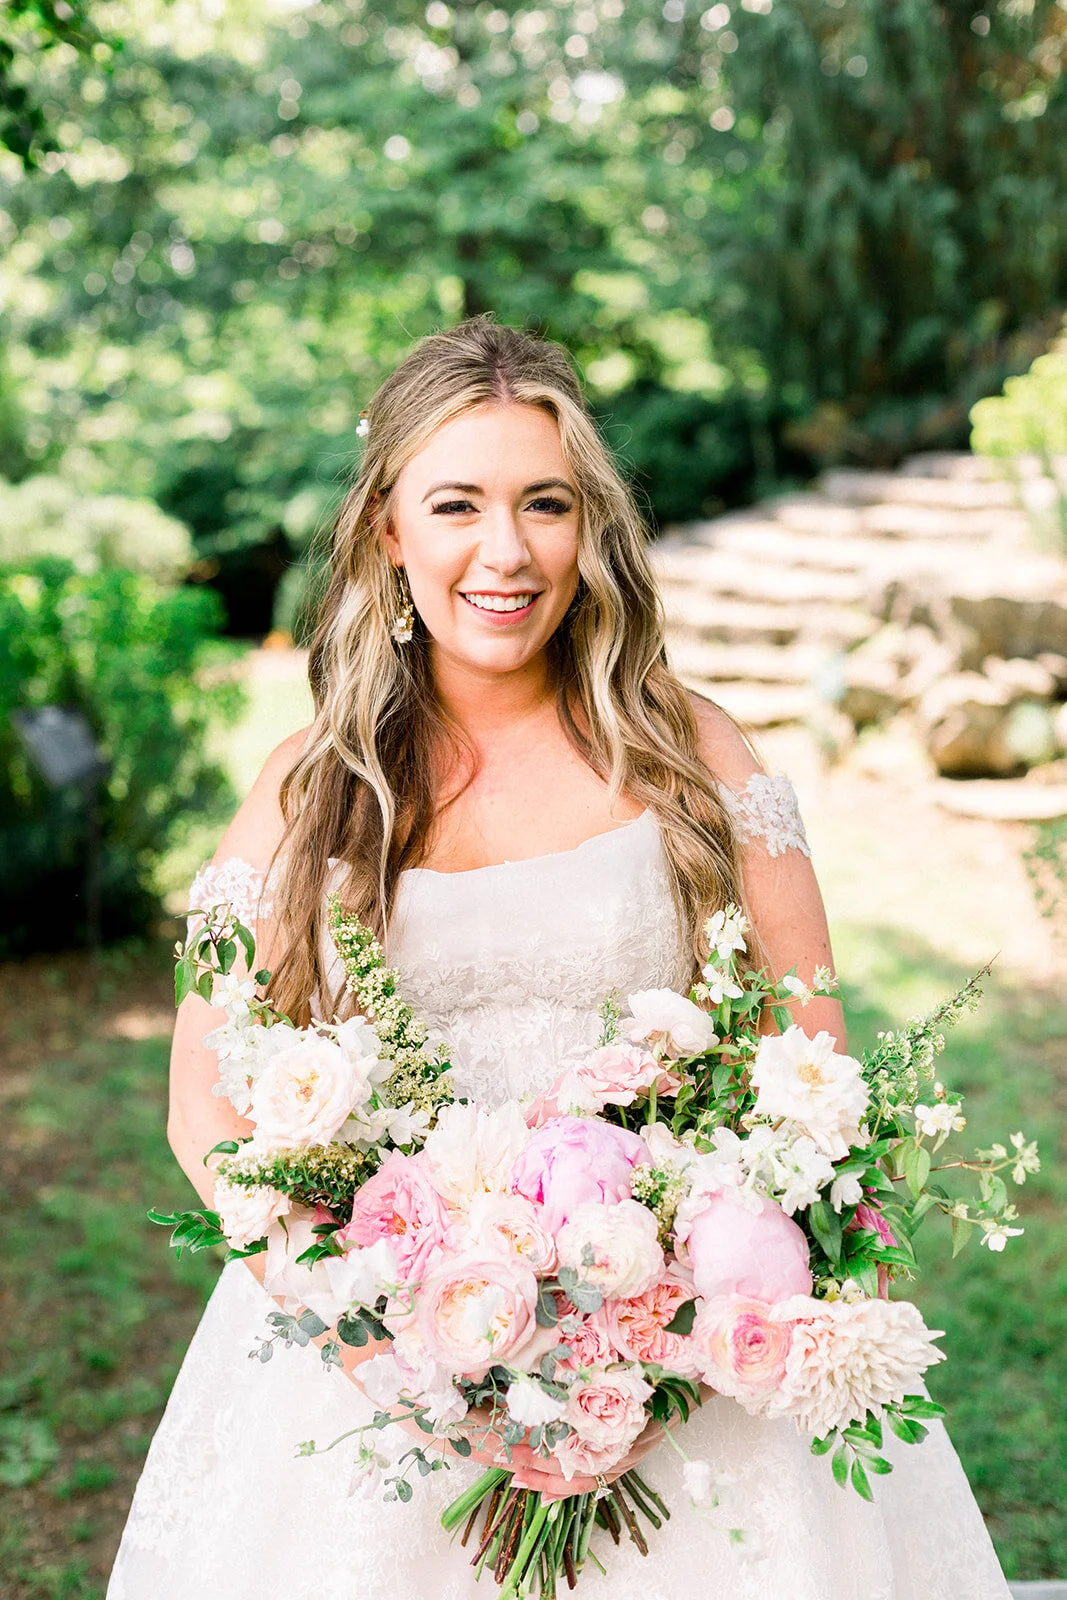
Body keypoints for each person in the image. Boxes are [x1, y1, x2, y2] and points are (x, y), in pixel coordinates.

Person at [107, 315, 1011, 1599]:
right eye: (456, 504)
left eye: (546, 503)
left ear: (589, 528)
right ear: (387, 531)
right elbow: (203, 1105)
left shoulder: (698, 756)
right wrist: (374, 1338)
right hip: (377, 1370)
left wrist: (667, 1335)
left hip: (686, 1352)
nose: (505, 550)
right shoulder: (308, 792)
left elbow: (807, 1064)